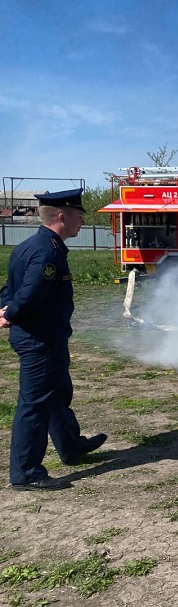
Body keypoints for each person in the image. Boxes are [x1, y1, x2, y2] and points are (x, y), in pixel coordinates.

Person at [0, 188, 107, 490]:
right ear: (62, 216)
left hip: (44, 336)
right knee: (34, 405)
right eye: (78, 216)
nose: (82, 222)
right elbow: (30, 291)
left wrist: (6, 307)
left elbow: (11, 286)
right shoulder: (48, 251)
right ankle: (27, 474)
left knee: (55, 393)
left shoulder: (29, 246)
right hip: (40, 339)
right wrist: (12, 312)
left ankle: (71, 446)